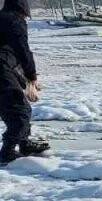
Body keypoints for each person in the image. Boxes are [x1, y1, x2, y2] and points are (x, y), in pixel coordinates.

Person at [0, 0, 46, 164]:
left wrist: (24, 79)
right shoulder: (14, 20)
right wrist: (31, 76)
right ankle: (7, 152)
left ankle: (24, 143)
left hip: (5, 69)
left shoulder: (2, 18)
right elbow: (22, 49)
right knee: (20, 111)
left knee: (12, 110)